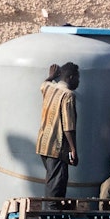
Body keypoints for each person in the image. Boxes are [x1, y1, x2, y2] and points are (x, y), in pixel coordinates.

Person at [36, 62, 80, 199]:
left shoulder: (49, 88)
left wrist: (50, 76)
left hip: (43, 144)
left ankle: (52, 216)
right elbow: (68, 126)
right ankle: (51, 218)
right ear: (71, 77)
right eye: (78, 78)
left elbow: (43, 85)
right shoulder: (68, 95)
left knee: (52, 180)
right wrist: (73, 149)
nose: (79, 81)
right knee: (56, 188)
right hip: (57, 148)